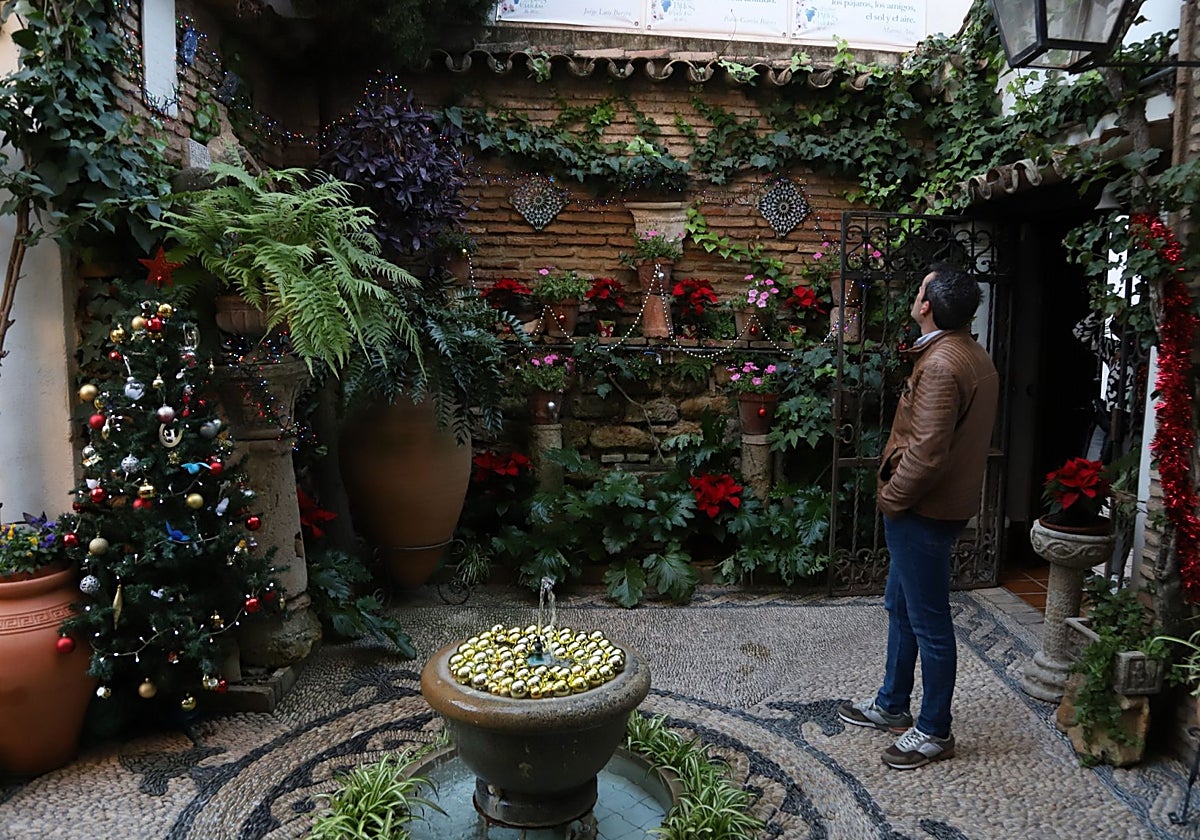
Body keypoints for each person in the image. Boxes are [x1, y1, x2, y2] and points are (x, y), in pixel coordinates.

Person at [838, 263, 999, 770]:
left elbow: (926, 453)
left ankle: (933, 729)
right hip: (935, 508)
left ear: (926, 305)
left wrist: (891, 499)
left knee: (929, 622)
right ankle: (891, 705)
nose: (915, 294)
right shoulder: (968, 353)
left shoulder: (941, 366)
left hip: (923, 511)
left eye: (920, 288)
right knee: (901, 607)